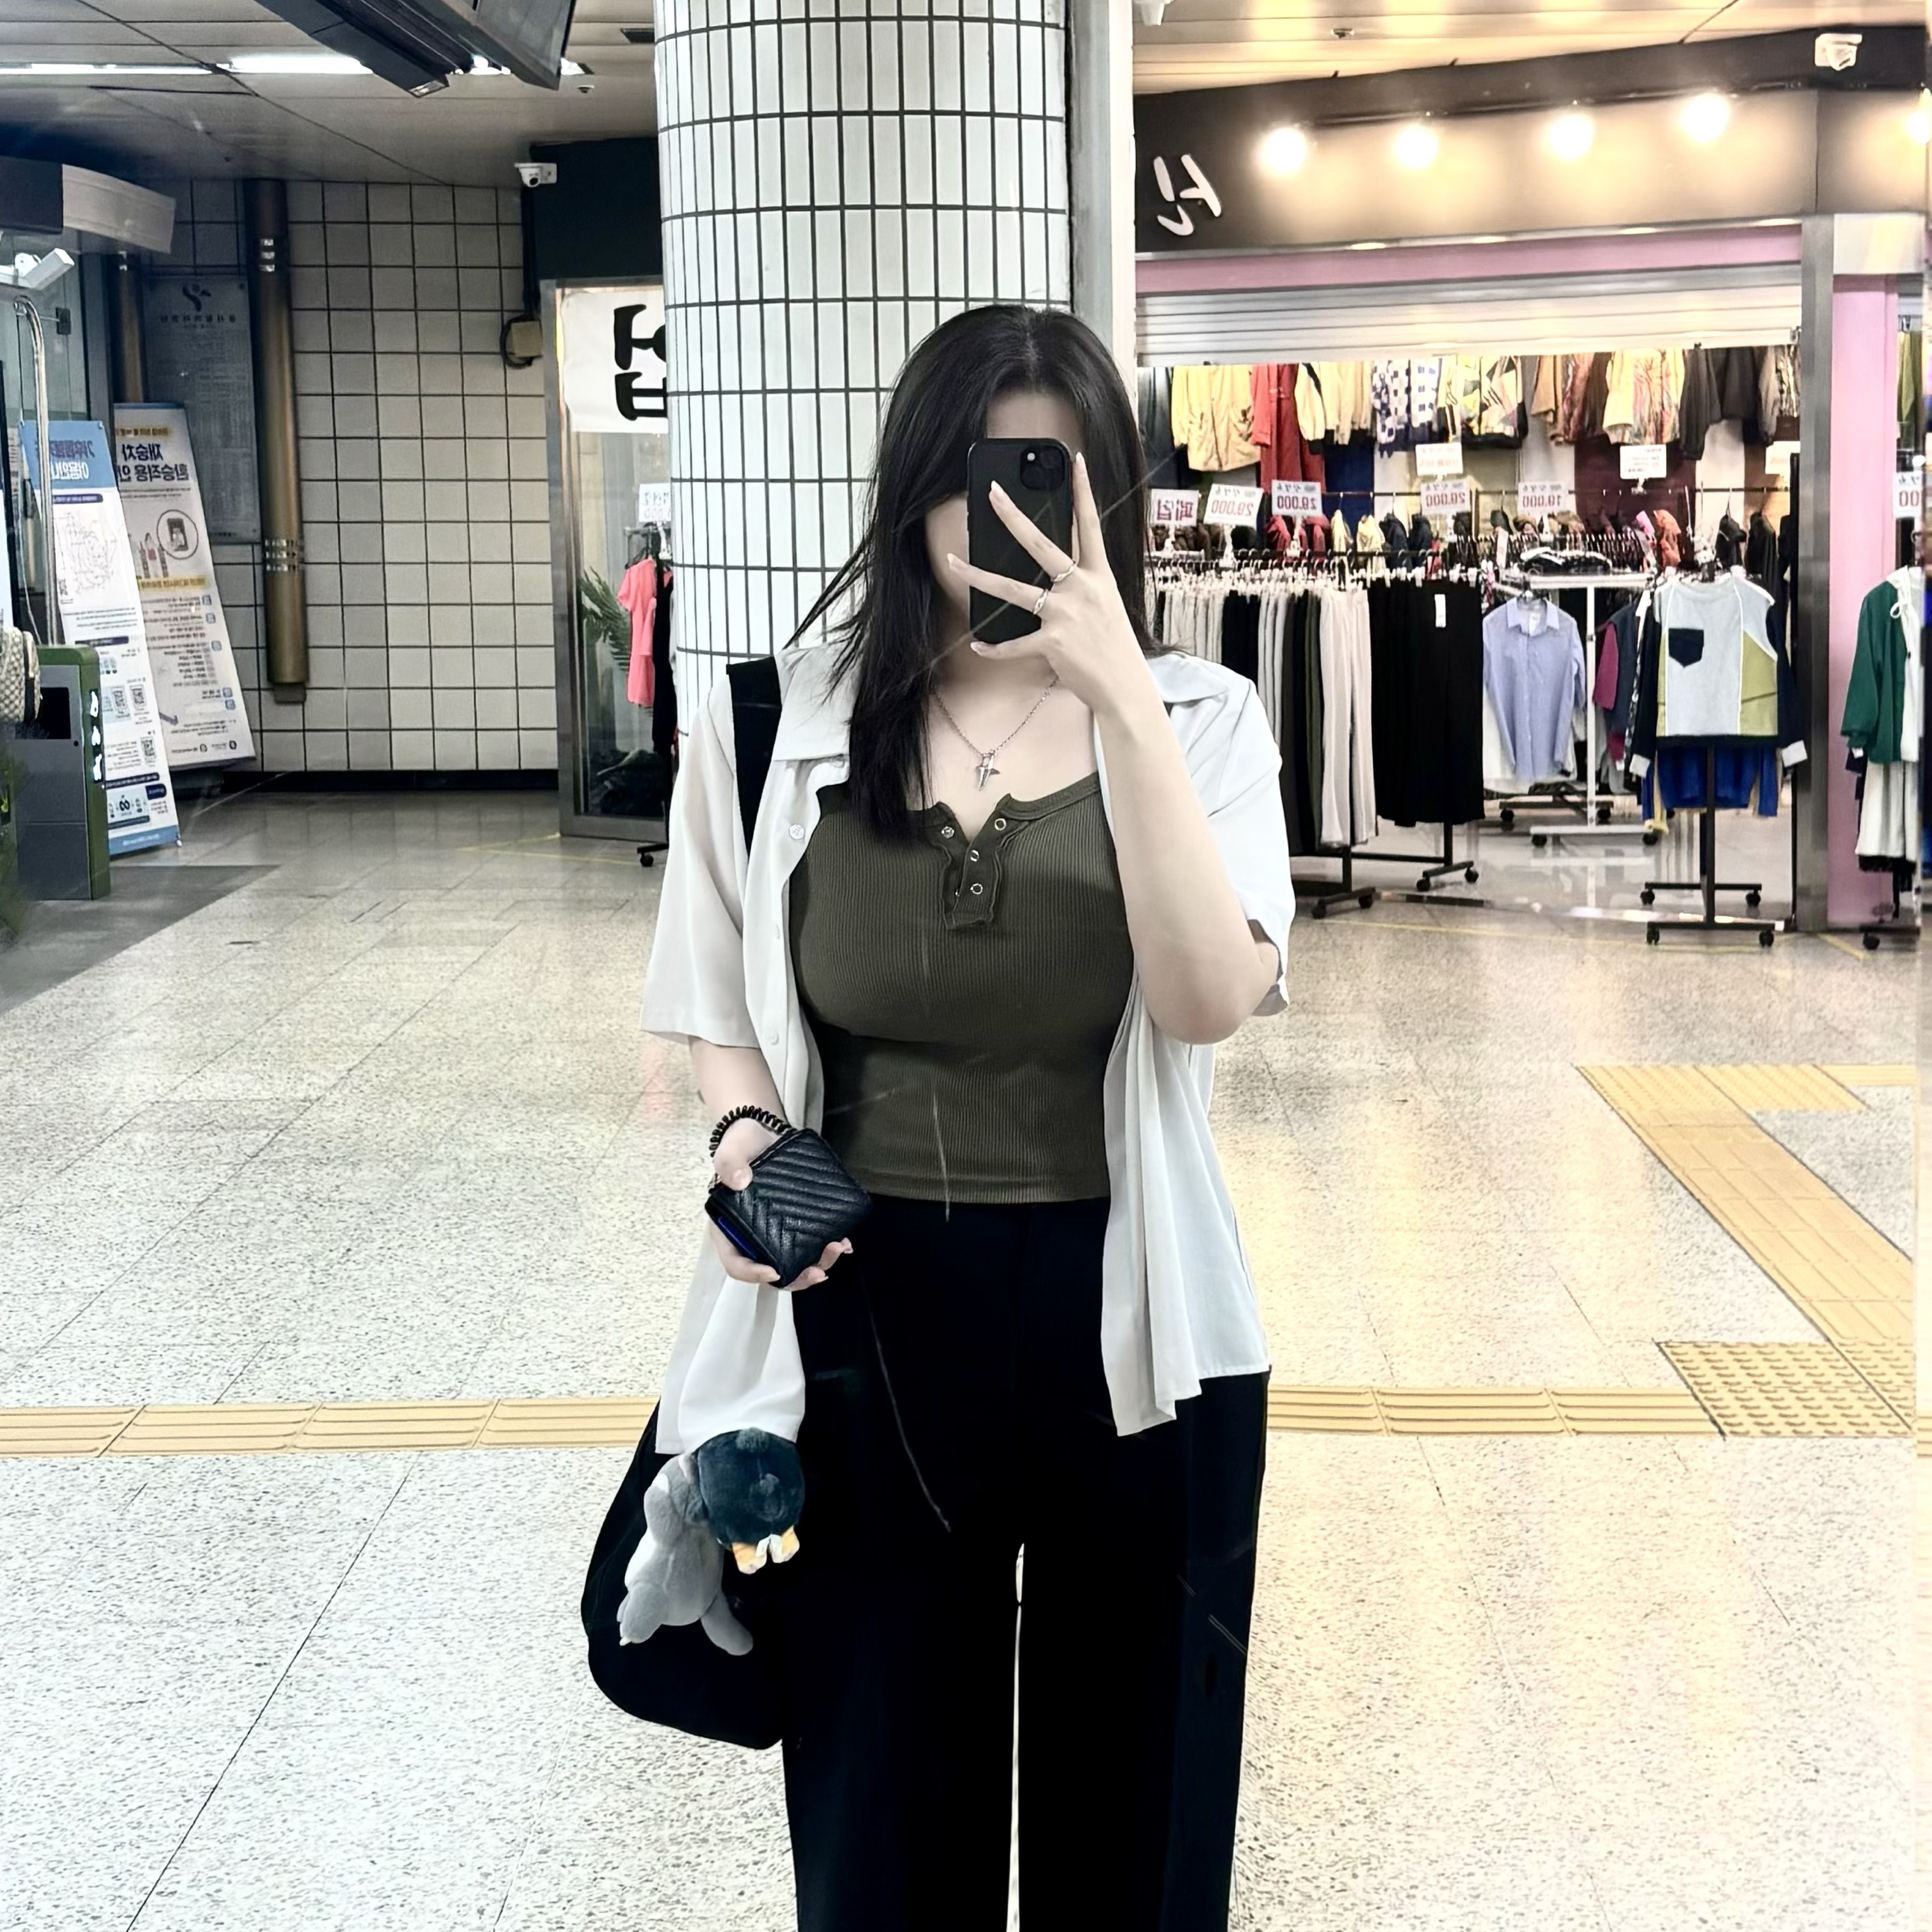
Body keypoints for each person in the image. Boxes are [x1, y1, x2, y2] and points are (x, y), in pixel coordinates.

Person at [638, 304, 1294, 1931]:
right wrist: (749, 1150)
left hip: (1134, 1319)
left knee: (1132, 1815)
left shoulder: (1202, 720)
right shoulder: (771, 721)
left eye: (1046, 482)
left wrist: (1122, 703)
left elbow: (1208, 999)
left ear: (1111, 499)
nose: (1002, 520)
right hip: (866, 1317)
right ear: (910, 488)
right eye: (971, 481)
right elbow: (722, 1010)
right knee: (880, 1811)